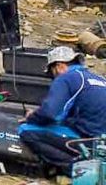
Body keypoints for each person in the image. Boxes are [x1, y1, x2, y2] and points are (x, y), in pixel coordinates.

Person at [18, 46, 106, 176]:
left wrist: (32, 117)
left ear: (59, 66)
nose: (53, 77)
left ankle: (76, 169)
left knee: (26, 130)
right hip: (101, 141)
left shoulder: (66, 78)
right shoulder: (100, 79)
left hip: (90, 142)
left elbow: (50, 113)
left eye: (52, 73)